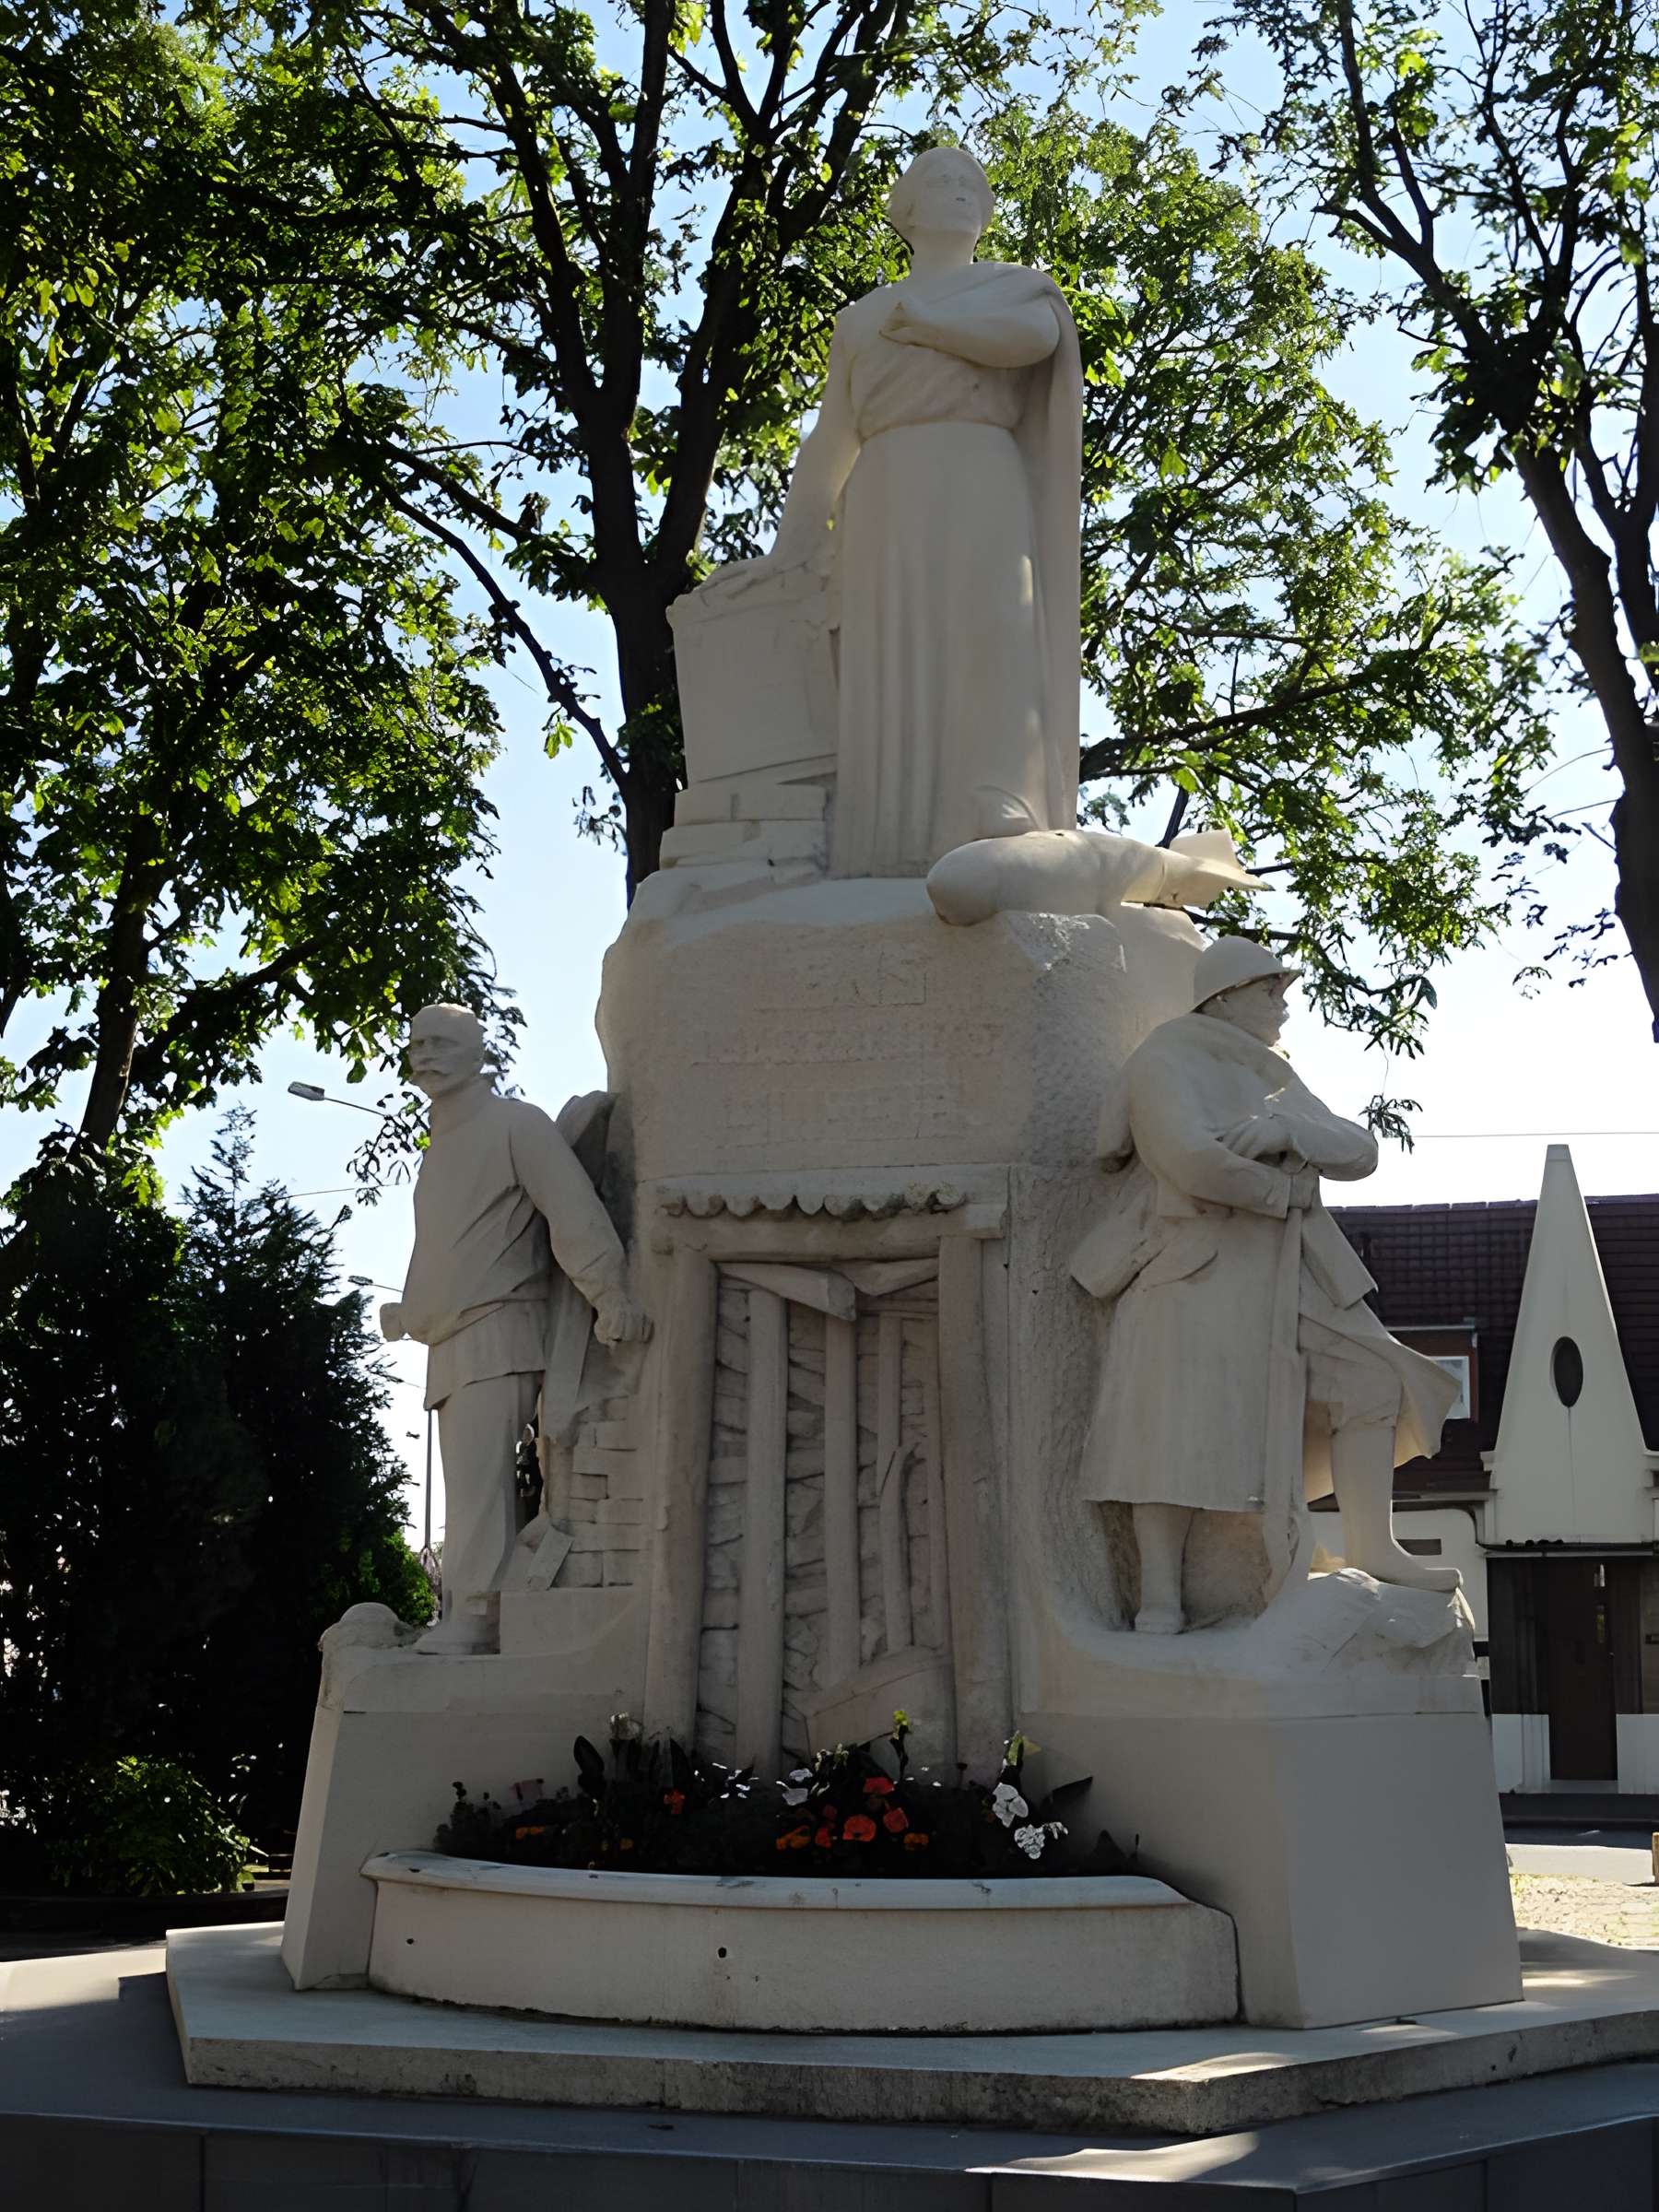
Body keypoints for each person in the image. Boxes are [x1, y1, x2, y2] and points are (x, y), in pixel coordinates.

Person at [1071, 938, 1460, 1634]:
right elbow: (1189, 1160)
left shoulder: (1274, 1075)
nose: (1283, 1007)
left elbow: (1360, 1149)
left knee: (1374, 1377)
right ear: (1222, 997)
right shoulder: (1166, 1060)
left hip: (1288, 1274)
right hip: (1194, 1273)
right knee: (1168, 1431)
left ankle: (1375, 1544)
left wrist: (1288, 1128)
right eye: (1268, 992)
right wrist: (1281, 1192)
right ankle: (1160, 1596)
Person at [714, 145, 1083, 877]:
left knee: (993, 630)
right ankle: (890, 827)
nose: (957, 193)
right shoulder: (862, 320)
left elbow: (1031, 343)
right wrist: (789, 551)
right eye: (938, 182)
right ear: (907, 213)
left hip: (981, 475)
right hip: (888, 488)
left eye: (968, 184)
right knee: (892, 644)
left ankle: (999, 793)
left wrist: (930, 328)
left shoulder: (1018, 289)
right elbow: (832, 438)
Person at [380, 1006, 650, 1653]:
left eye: (443, 1041)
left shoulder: (514, 1126)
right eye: (417, 1043)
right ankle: (470, 1611)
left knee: (478, 1484)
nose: (427, 1053)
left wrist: (610, 1293)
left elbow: (573, 1213)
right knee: (467, 1482)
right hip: (451, 1338)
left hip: (500, 1329)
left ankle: (477, 1617)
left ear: (478, 1053)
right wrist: (412, 1312)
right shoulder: (440, 1148)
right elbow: (450, 1248)